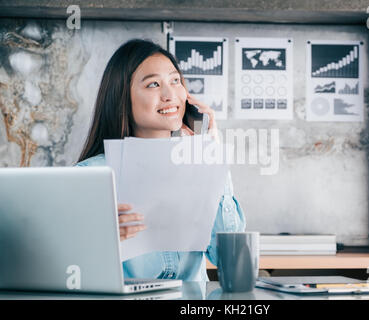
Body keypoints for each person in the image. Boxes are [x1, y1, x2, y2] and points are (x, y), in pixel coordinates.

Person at [76, 39, 245, 281]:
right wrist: (97, 238)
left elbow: (231, 262)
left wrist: (212, 158)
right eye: (153, 84)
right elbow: (70, 272)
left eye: (175, 81)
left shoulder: (197, 165)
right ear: (122, 97)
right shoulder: (90, 176)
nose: (170, 95)